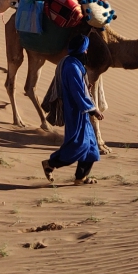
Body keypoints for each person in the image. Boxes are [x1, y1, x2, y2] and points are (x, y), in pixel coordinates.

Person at [41, 34, 102, 184]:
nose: (87, 52)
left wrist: (86, 88)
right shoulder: (72, 66)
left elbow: (79, 88)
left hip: (80, 111)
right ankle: (50, 163)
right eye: (85, 49)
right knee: (78, 145)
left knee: (91, 147)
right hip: (75, 110)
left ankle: (81, 178)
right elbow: (77, 92)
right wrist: (93, 109)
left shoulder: (73, 63)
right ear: (81, 50)